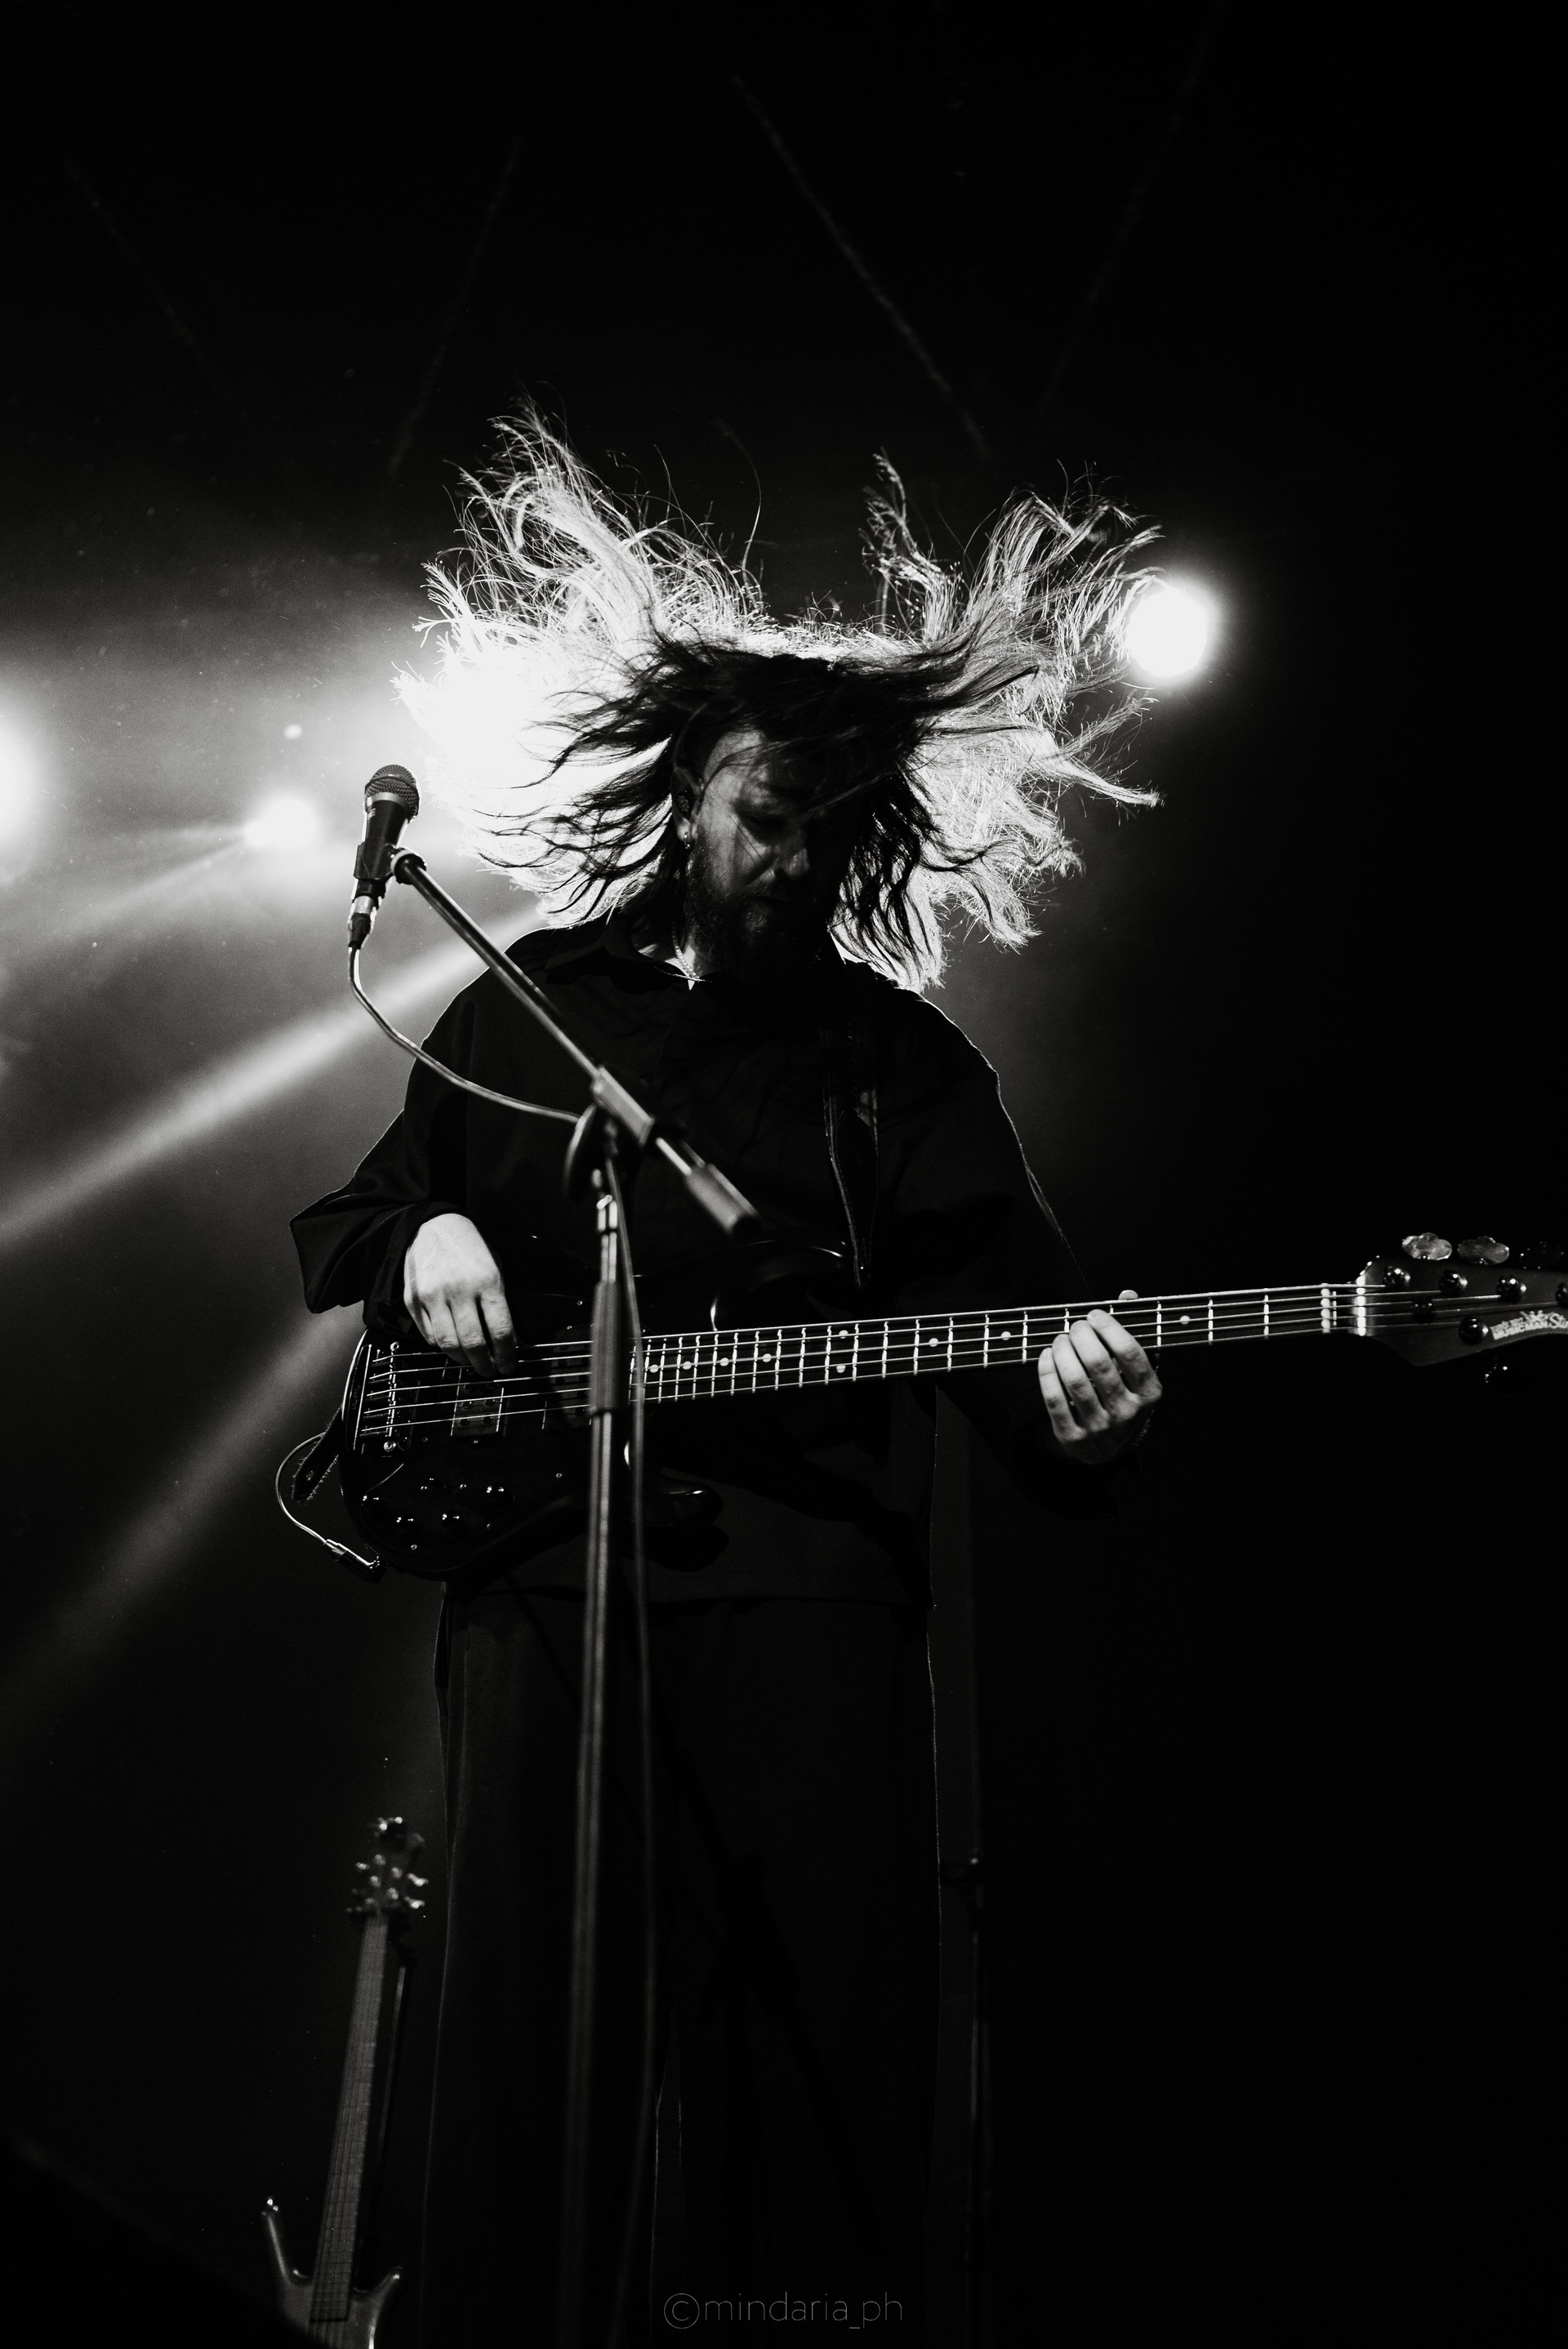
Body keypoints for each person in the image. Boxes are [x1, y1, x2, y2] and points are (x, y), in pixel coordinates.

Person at [292, 425, 1163, 2344]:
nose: (791, 863)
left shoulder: (899, 1070)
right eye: (765, 816)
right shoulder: (536, 1005)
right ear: (691, 792)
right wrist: (427, 1234)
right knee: (527, 2069)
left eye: (825, 832)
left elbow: (1028, 1341)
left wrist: (1084, 1397)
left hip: (809, 1621)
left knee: (812, 2087)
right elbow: (359, 1216)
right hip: (546, 1603)